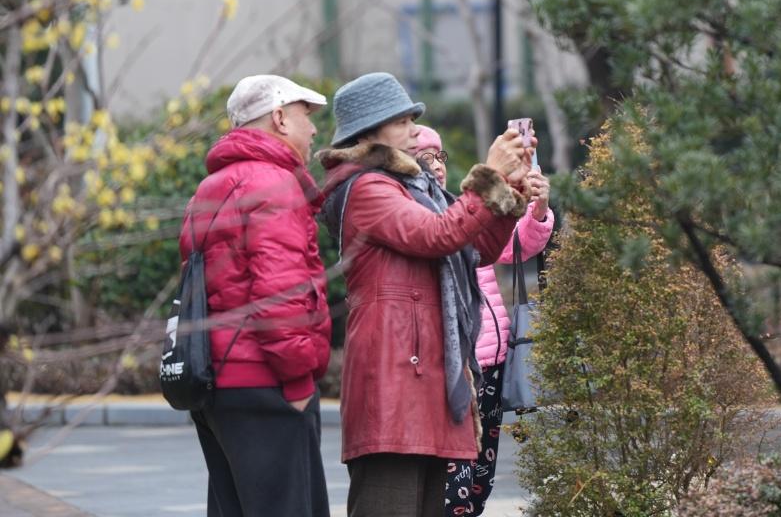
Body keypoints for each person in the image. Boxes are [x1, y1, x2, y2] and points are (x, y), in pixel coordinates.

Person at [317, 72, 534, 517]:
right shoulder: (366, 187)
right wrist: (488, 174)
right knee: (388, 506)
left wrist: (509, 192)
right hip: (392, 379)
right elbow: (436, 235)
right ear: (372, 132)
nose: (415, 129)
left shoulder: (413, 186)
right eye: (403, 121)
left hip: (425, 375)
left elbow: (475, 250)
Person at [179, 74, 333, 517]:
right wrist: (298, 381)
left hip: (215, 383)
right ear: (280, 118)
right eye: (307, 115)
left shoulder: (210, 188)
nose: (315, 129)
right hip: (265, 382)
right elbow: (280, 293)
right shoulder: (274, 184)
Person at [412, 126, 554, 517]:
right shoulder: (420, 219)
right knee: (453, 488)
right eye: (425, 158)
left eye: (440, 157)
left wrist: (537, 210)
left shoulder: (465, 208)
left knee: (478, 482)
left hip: (491, 363)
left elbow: (514, 247)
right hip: (456, 371)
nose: (437, 166)